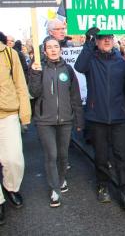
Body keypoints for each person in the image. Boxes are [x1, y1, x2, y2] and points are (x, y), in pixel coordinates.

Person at [75, 27, 125, 209]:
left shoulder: (121, 61)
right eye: (102, 38)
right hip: (97, 117)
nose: (106, 40)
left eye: (109, 37)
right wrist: (88, 42)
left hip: (119, 118)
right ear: (96, 41)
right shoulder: (91, 59)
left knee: (121, 155)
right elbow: (79, 67)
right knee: (101, 156)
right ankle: (103, 186)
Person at [28, 37, 84, 207]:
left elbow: (75, 95)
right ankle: (55, 189)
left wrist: (79, 119)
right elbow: (34, 92)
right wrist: (35, 73)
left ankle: (61, 179)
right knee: (51, 154)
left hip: (65, 120)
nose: (53, 50)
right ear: (44, 51)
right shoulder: (38, 68)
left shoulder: (67, 69)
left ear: (60, 49)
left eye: (55, 46)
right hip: (45, 121)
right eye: (49, 47)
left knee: (62, 155)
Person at [0, 31, 30, 226]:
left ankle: (10, 187)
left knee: (13, 160)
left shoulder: (9, 53)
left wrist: (24, 114)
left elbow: (20, 84)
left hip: (8, 113)